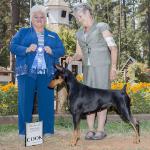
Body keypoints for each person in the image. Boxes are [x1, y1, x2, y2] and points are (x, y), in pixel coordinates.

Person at [10, 5, 65, 139]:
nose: (39, 19)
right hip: (26, 73)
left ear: (45, 19)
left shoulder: (53, 35)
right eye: (36, 17)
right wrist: (27, 49)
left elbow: (62, 50)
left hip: (47, 73)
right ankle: (23, 132)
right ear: (31, 19)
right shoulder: (23, 32)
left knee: (46, 102)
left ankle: (47, 131)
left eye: (42, 17)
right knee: (25, 102)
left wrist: (52, 51)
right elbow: (12, 46)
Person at [66, 3, 118, 140]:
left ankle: (100, 130)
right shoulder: (79, 33)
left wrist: (113, 67)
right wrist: (73, 57)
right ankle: (90, 130)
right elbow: (79, 54)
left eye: (80, 16)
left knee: (102, 98)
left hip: (102, 68)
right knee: (88, 99)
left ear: (88, 12)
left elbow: (113, 48)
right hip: (88, 70)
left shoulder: (102, 27)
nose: (78, 19)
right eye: (77, 17)